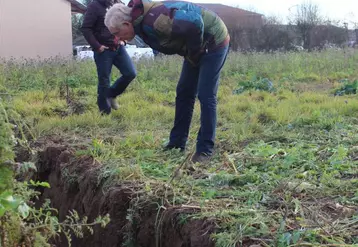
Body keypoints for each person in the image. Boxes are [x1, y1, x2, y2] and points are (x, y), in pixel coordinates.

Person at [104, 0, 230, 163]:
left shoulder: (155, 20)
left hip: (214, 40)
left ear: (127, 23)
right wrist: (193, 54)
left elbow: (195, 22)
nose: (116, 38)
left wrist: (195, 52)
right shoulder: (140, 24)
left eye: (116, 32)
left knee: (206, 95)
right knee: (184, 92)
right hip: (196, 47)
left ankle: (205, 150)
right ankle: (177, 143)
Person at [81, 0, 137, 115]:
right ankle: (105, 112)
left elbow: (126, 22)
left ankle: (111, 95)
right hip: (103, 50)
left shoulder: (118, 4)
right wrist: (97, 46)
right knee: (104, 81)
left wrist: (124, 40)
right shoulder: (94, 6)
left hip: (118, 47)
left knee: (130, 73)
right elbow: (86, 28)